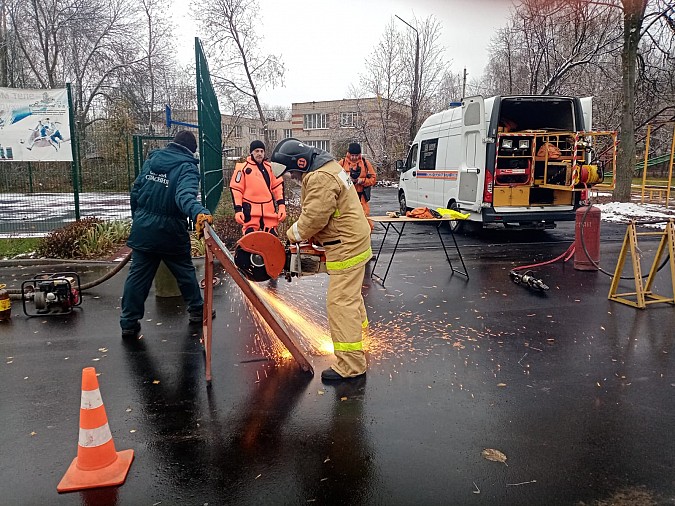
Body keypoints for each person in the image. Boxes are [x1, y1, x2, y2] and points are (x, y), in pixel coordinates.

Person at [271, 138, 372, 381]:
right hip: (352, 240)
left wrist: (292, 234)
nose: (292, 177)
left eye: (293, 172)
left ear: (302, 162)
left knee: (340, 303)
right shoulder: (328, 166)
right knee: (351, 296)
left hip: (346, 245)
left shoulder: (319, 178)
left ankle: (351, 365)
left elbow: (315, 217)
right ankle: (361, 339)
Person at [120, 130, 213, 340]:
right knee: (185, 271)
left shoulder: (152, 160)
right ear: (192, 150)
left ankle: (128, 322)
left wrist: (139, 219)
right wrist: (200, 212)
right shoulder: (187, 167)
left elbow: (136, 191)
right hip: (170, 230)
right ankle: (197, 310)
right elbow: (184, 196)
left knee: (137, 277)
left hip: (144, 228)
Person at [229, 140, 286, 235]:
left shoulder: (271, 168)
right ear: (251, 152)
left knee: (271, 236)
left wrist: (281, 206)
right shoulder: (242, 169)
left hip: (268, 210)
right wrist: (238, 210)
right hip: (251, 210)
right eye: (256, 151)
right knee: (250, 236)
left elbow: (278, 186)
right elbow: (236, 189)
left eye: (261, 151)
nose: (259, 153)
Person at [338, 142, 376, 230]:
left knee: (365, 221)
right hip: (346, 198)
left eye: (356, 155)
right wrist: (347, 180)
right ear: (348, 154)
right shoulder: (342, 163)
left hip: (361, 197)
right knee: (346, 221)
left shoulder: (365, 164)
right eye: (352, 155)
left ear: (359, 154)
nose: (354, 157)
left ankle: (365, 240)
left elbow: (373, 179)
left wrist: (362, 181)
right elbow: (334, 178)